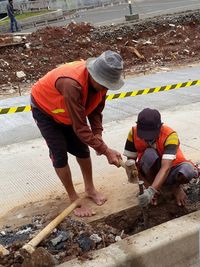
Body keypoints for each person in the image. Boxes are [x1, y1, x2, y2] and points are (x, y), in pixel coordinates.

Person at [31, 50, 124, 217]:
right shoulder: (71, 84)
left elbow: (96, 111)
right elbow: (80, 128)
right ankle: (74, 198)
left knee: (82, 149)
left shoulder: (102, 84)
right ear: (94, 76)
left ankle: (90, 189)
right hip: (46, 109)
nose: (105, 89)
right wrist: (106, 150)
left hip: (69, 113)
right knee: (59, 153)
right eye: (104, 85)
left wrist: (98, 137)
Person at [124, 108, 198, 207]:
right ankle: (154, 186)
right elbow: (131, 166)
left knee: (188, 170)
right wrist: (146, 187)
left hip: (170, 168)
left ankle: (174, 187)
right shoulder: (133, 133)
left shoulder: (170, 135)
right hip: (148, 170)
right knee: (150, 154)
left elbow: (166, 167)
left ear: (160, 127)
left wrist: (151, 191)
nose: (147, 138)